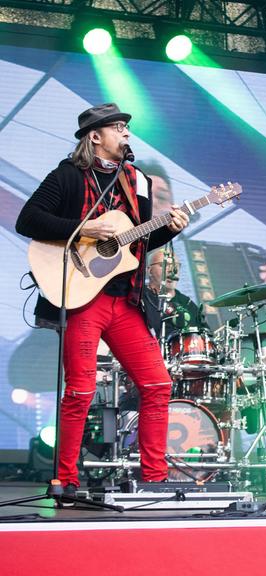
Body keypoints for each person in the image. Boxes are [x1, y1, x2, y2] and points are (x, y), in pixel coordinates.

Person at [15, 103, 189, 500]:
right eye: (119, 127)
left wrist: (170, 230)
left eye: (127, 128)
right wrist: (83, 228)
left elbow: (135, 246)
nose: (127, 133)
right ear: (95, 136)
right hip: (82, 298)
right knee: (79, 389)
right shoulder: (67, 176)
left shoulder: (137, 181)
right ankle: (65, 480)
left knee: (158, 382)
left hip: (123, 300)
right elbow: (28, 220)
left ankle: (154, 480)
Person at [143, 248, 207, 339]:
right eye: (164, 265)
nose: (172, 271)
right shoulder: (139, 298)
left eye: (175, 266)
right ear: (149, 270)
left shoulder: (188, 304)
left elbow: (205, 337)